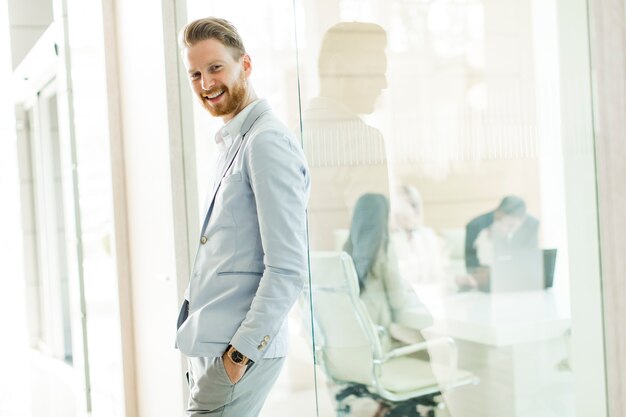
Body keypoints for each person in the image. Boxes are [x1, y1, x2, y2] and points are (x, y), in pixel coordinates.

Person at [174, 17, 310, 417]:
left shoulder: (266, 143)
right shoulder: (234, 140)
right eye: (195, 74)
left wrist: (239, 356)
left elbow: (287, 266)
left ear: (245, 65)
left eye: (215, 67)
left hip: (236, 352)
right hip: (212, 344)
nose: (206, 83)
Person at [303, 22, 390, 251]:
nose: (384, 84)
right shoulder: (363, 140)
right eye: (375, 71)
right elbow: (370, 246)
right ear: (338, 67)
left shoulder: (290, 138)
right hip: (346, 283)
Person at [343, 193, 433, 350]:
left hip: (355, 343)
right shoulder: (383, 249)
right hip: (379, 341)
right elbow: (397, 299)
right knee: (427, 342)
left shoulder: (346, 250)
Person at [459, 195, 539, 291]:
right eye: (507, 225)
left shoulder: (531, 225)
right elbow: (471, 264)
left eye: (513, 226)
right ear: (497, 215)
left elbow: (530, 258)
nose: (509, 230)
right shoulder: (475, 226)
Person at [391, 185, 449, 285]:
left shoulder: (428, 236)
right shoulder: (391, 240)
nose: (410, 210)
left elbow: (438, 275)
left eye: (413, 205)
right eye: (405, 203)